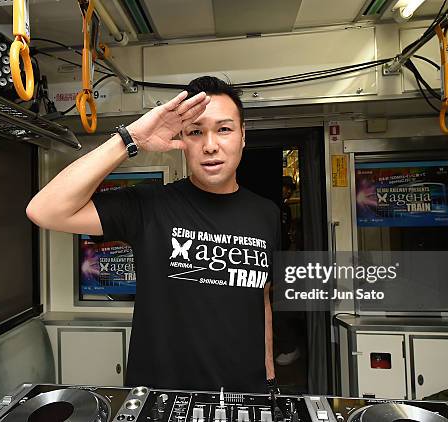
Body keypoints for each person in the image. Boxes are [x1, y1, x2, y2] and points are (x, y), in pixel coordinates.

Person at [26, 76, 280, 393]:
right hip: (162, 398)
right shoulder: (150, 205)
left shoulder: (266, 213)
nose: (210, 145)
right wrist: (130, 138)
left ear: (242, 136)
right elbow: (45, 210)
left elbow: (261, 297)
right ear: (182, 140)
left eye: (224, 129)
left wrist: (268, 372)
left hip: (245, 394)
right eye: (196, 132)